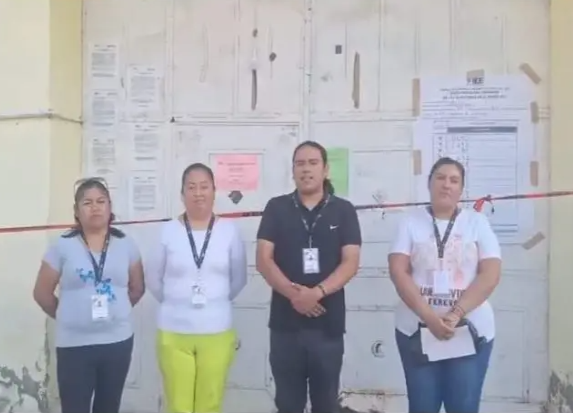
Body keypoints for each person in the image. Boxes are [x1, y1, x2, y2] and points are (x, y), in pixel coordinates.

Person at [388, 157, 502, 413]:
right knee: (422, 406)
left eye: (454, 180)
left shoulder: (477, 223)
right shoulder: (410, 222)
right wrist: (429, 317)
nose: (446, 185)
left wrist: (455, 313)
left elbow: (491, 273)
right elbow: (398, 271)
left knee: (463, 406)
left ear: (461, 189)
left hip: (468, 330)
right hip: (416, 329)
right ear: (429, 183)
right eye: (440, 178)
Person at [256, 140, 362, 413]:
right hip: (285, 326)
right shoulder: (276, 208)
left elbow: (351, 262)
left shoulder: (344, 210)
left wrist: (317, 293)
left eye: (313, 163)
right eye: (300, 164)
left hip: (328, 327)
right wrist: (294, 295)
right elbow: (263, 259)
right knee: (288, 403)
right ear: (292, 170)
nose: (306, 169)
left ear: (325, 170)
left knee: (326, 404)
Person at [32, 177, 145, 413]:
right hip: (74, 345)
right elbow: (42, 293)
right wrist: (68, 316)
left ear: (110, 207)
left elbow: (137, 288)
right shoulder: (62, 245)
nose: (95, 207)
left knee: (108, 407)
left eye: (101, 201)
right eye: (87, 202)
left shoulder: (126, 244)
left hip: (117, 343)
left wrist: (118, 311)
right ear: (76, 210)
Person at [146, 162, 247, 413]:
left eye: (204, 187)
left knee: (209, 404)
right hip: (174, 331)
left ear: (214, 191)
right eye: (191, 187)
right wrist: (176, 301)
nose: (198, 193)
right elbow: (153, 279)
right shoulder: (167, 231)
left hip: (217, 330)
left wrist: (216, 301)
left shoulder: (229, 231)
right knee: (178, 406)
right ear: (182, 194)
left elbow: (239, 278)